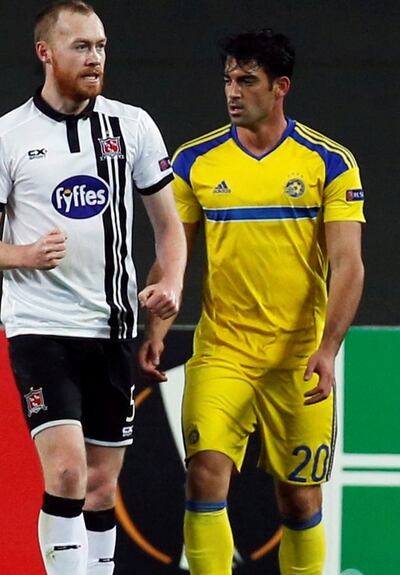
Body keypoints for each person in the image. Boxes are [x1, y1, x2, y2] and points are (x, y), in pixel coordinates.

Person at [0, 2, 186, 573]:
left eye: (101, 47)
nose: (94, 58)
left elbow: (169, 229)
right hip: (41, 329)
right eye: (81, 47)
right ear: (46, 52)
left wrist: (173, 285)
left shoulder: (131, 126)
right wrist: (25, 254)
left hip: (111, 327)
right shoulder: (5, 135)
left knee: (101, 487)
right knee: (65, 473)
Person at [140, 30, 365, 575]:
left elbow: (349, 265)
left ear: (280, 87)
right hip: (223, 352)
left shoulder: (328, 164)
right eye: (227, 81)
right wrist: (156, 329)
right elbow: (174, 253)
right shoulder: (195, 162)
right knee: (204, 475)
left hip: (297, 357)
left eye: (247, 81)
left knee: (299, 500)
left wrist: (329, 349)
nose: (233, 92)